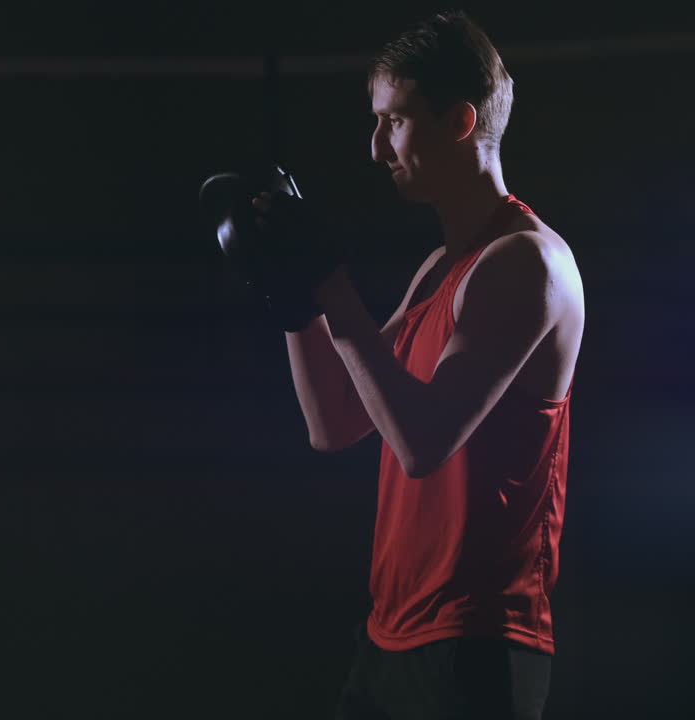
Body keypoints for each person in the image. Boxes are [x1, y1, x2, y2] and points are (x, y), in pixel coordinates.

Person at [205, 10, 583, 719]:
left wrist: (334, 288)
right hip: (388, 636)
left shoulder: (526, 262)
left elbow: (421, 444)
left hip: (476, 646)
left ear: (460, 122)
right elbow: (336, 423)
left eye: (396, 121)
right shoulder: (442, 266)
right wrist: (298, 300)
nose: (376, 146)